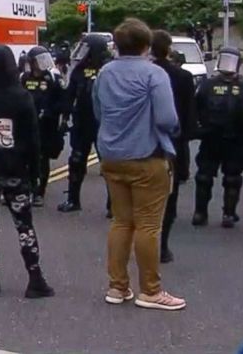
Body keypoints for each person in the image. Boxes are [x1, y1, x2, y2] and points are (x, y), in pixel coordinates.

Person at [94, 18, 185, 311]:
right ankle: (151, 290)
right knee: (148, 225)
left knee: (121, 222)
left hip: (111, 154)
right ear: (147, 45)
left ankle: (117, 286)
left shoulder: (105, 73)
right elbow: (167, 119)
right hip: (147, 156)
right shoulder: (154, 74)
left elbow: (97, 110)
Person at [0, 45, 55, 299]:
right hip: (15, 167)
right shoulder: (21, 97)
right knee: (24, 224)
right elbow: (32, 137)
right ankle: (34, 277)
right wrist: (36, 171)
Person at [193, 46, 243, 228]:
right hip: (230, 139)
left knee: (210, 176)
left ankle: (203, 213)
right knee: (226, 177)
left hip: (217, 138)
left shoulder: (207, 85)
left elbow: (194, 107)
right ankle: (226, 214)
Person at [149, 31, 196, 263]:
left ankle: (142, 246)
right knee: (169, 195)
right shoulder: (183, 77)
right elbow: (187, 117)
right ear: (168, 49)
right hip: (172, 144)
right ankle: (162, 246)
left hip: (142, 143)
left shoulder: (142, 74)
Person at [58, 32, 111, 213]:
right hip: (82, 120)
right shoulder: (79, 70)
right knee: (76, 159)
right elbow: (70, 95)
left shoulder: (108, 69)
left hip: (103, 122)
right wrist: (64, 118)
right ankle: (73, 200)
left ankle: (113, 204)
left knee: (108, 164)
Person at [21, 46, 66, 207]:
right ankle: (24, 189)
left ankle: (39, 191)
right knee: (23, 158)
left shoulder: (53, 79)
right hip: (26, 125)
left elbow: (63, 102)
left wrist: (49, 113)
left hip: (46, 126)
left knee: (42, 158)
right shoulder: (24, 78)